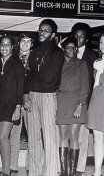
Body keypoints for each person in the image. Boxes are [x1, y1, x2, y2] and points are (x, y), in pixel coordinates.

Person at [26, 19, 64, 176]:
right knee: (33, 139)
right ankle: (34, 173)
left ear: (53, 34)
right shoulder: (34, 52)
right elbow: (27, 76)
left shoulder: (57, 53)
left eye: (46, 31)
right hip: (32, 96)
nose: (41, 33)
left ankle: (50, 173)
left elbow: (49, 78)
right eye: (40, 30)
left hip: (48, 96)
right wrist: (26, 96)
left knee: (49, 139)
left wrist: (33, 76)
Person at [57, 37, 89, 176]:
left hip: (77, 103)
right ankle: (65, 172)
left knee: (73, 137)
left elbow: (85, 86)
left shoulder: (81, 64)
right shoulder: (58, 64)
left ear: (77, 49)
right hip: (62, 102)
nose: (71, 50)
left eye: (73, 47)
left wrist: (80, 105)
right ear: (64, 49)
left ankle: (72, 172)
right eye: (68, 47)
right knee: (63, 136)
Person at [70, 22, 98, 176]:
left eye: (82, 36)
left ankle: (79, 169)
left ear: (86, 39)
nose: (79, 39)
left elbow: (93, 82)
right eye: (76, 35)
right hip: (67, 101)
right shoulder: (66, 52)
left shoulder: (91, 56)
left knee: (82, 136)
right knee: (68, 135)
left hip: (84, 101)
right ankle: (67, 165)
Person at [87, 31, 104, 176]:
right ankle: (97, 171)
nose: (103, 45)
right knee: (97, 137)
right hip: (96, 99)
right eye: (101, 42)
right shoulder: (96, 62)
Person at [9, 32, 35, 175]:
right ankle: (13, 166)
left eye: (28, 41)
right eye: (23, 41)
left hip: (31, 99)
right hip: (15, 100)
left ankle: (30, 166)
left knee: (32, 133)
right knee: (14, 134)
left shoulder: (37, 59)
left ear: (32, 44)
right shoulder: (12, 58)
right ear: (19, 43)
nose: (25, 44)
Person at [0, 35, 24, 176]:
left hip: (10, 105)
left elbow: (20, 87)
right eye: (2, 44)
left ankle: (6, 171)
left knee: (3, 137)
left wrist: (18, 106)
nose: (4, 47)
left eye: (7, 44)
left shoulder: (17, 64)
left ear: (12, 47)